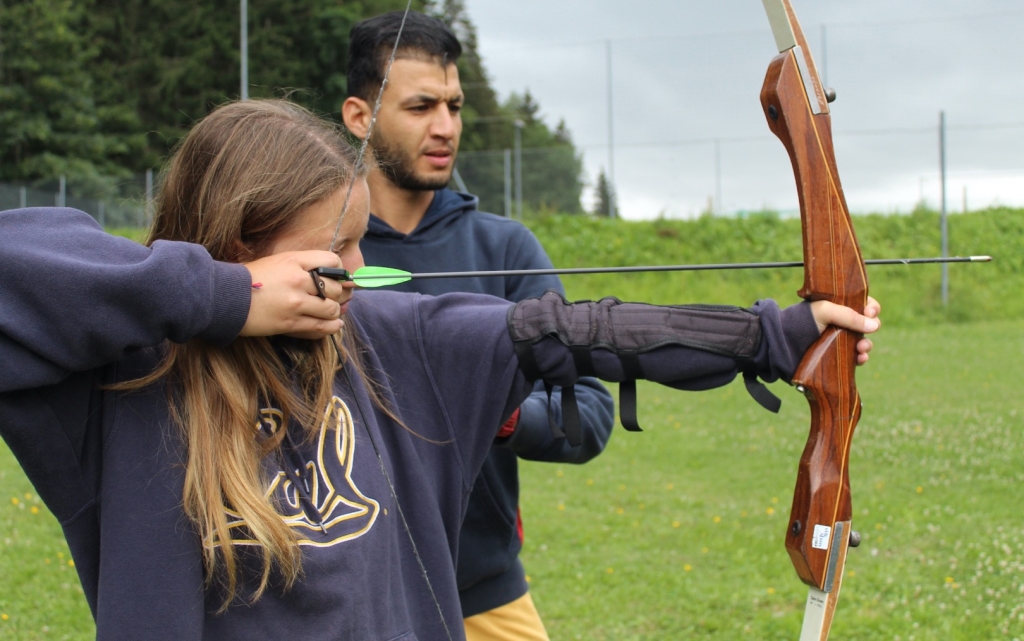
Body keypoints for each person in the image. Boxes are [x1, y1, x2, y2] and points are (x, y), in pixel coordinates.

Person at [0, 99, 880, 640]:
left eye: (359, 241)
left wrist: (781, 334)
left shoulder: (387, 339)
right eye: (332, 249)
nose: (356, 269)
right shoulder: (121, 384)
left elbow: (579, 331)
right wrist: (219, 298)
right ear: (242, 248)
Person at [341, 11, 615, 638]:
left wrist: (497, 409)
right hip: (345, 590)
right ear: (360, 116)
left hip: (481, 589)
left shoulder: (506, 250)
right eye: (420, 107)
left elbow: (590, 414)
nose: (445, 128)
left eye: (455, 106)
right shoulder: (315, 248)